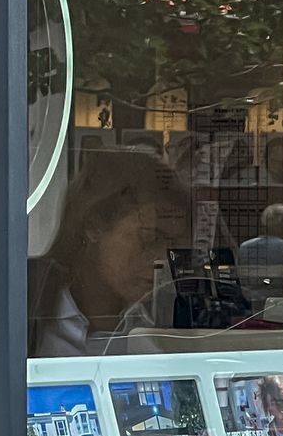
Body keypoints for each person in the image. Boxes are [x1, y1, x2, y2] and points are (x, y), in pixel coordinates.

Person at [30, 149, 190, 358]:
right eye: (149, 237)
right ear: (94, 225)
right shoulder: (29, 308)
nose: (163, 260)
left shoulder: (164, 324)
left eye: (173, 245)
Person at [235, 203, 283, 300]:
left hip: (250, 300)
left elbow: (241, 278)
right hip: (278, 301)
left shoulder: (244, 247)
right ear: (281, 224)